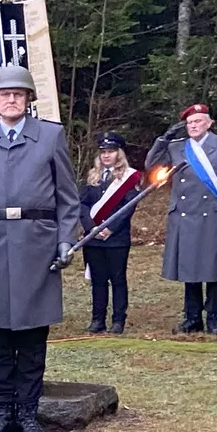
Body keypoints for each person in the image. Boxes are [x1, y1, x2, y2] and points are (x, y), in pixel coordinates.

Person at [0, 64, 80, 432]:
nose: (11, 99)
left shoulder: (50, 137)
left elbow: (67, 197)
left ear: (28, 100)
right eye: (4, 94)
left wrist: (65, 240)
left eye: (19, 94)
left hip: (37, 245)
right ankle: (0, 411)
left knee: (31, 335)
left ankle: (27, 411)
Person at [146, 103, 217, 336]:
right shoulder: (178, 147)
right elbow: (151, 166)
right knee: (189, 269)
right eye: (189, 123)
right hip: (184, 215)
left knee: (213, 270)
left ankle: (213, 317)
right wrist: (163, 139)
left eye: (198, 121)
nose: (193, 126)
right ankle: (192, 317)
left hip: (213, 215)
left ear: (209, 123)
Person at [79, 132, 141, 335]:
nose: (106, 156)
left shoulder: (128, 177)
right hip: (93, 238)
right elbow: (82, 204)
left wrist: (110, 229)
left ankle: (118, 320)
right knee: (97, 280)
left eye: (111, 151)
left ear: (119, 153)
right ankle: (98, 319)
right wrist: (91, 227)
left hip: (116, 238)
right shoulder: (92, 175)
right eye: (103, 152)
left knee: (117, 279)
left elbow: (129, 206)